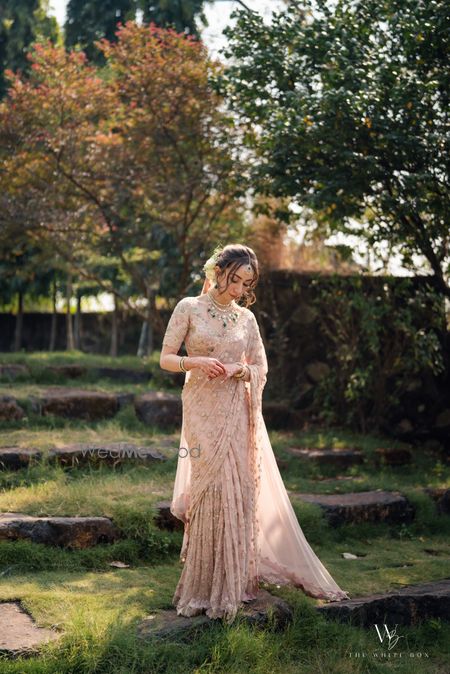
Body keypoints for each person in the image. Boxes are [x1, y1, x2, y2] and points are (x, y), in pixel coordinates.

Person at [159, 243, 349, 623]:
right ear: (219, 271)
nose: (240, 290)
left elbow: (260, 367)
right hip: (201, 407)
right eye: (236, 280)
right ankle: (202, 585)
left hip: (235, 406)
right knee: (210, 489)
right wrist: (196, 361)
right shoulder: (188, 308)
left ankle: (232, 583)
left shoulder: (247, 319)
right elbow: (165, 359)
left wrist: (238, 371)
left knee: (238, 488)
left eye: (247, 284)